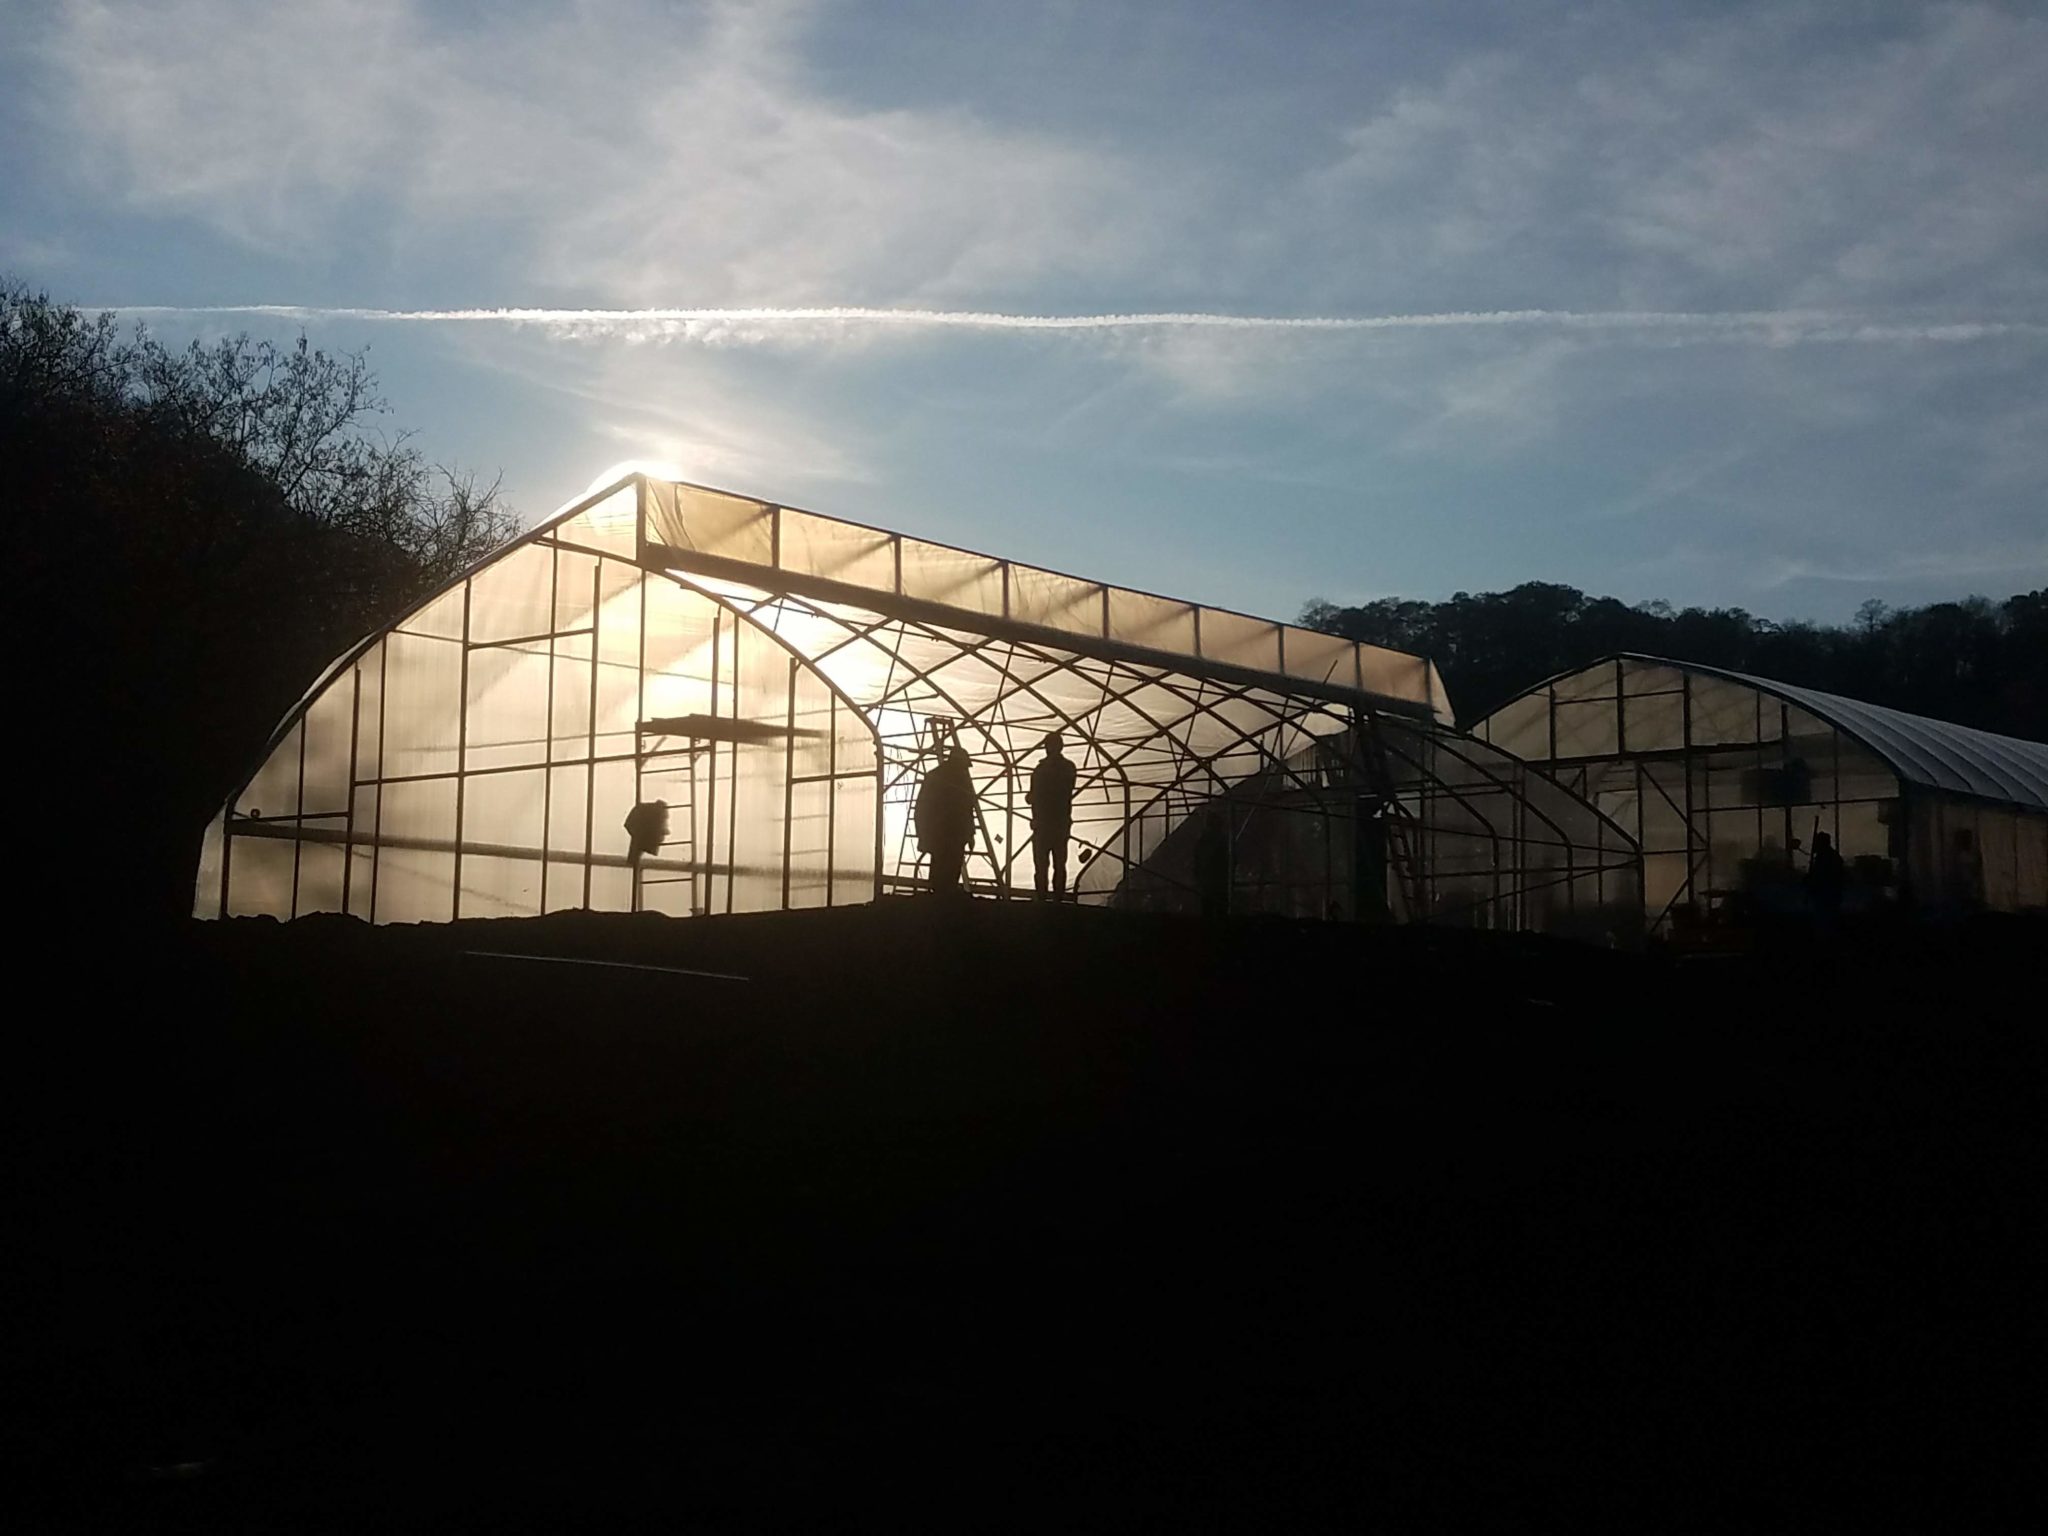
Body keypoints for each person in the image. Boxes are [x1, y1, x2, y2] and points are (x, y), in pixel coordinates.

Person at [915, 746, 976, 895]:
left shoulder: (935, 777)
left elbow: (921, 808)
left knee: (941, 864)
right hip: (950, 833)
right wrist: (970, 834)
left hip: (940, 833)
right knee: (950, 864)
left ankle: (940, 895)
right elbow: (967, 808)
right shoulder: (960, 780)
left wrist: (923, 833)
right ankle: (944, 895)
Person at [1027, 731, 1078, 900]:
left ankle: (1042, 897)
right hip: (1060, 823)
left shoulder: (1041, 770)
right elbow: (1066, 791)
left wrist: (1033, 800)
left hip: (1043, 824)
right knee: (1059, 863)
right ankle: (1057, 898)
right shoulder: (1068, 767)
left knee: (1042, 864)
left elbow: (1033, 796)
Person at [1194, 808, 1231, 920]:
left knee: (1209, 909)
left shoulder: (1205, 840)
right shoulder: (1219, 840)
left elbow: (1198, 860)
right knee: (1218, 909)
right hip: (1216, 880)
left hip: (1211, 881)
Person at [1805, 829, 1845, 917]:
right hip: (1828, 897)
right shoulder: (1828, 856)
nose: (1814, 845)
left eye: (1817, 843)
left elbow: (1821, 877)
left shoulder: (1827, 858)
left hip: (1827, 897)